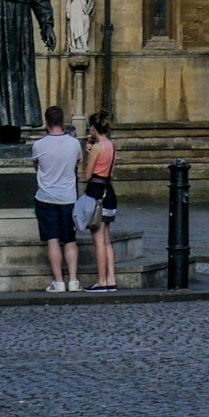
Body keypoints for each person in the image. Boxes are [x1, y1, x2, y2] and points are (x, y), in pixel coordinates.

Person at [33, 106, 83, 293]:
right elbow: (78, 165)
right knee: (70, 239)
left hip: (46, 197)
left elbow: (36, 166)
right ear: (63, 122)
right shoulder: (74, 144)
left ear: (46, 122)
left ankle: (59, 281)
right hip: (68, 197)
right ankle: (74, 280)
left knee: (53, 240)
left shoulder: (39, 145)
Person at [81, 112, 119, 291]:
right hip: (109, 192)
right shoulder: (112, 145)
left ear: (94, 128)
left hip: (96, 193)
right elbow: (111, 173)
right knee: (107, 239)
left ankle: (101, 281)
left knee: (98, 240)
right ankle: (111, 279)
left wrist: (88, 155)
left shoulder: (97, 148)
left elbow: (87, 175)